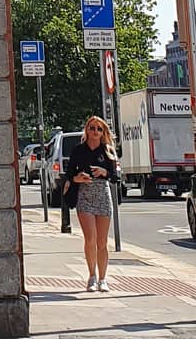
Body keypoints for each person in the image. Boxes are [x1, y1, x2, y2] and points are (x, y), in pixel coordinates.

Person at [67, 115, 119, 292]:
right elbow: (69, 175)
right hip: (85, 195)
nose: (95, 132)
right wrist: (78, 178)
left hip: (103, 195)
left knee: (102, 241)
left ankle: (103, 278)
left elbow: (116, 177)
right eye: (92, 128)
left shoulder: (108, 150)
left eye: (99, 129)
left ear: (103, 132)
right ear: (87, 130)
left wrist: (104, 171)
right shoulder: (78, 150)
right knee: (90, 238)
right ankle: (91, 275)